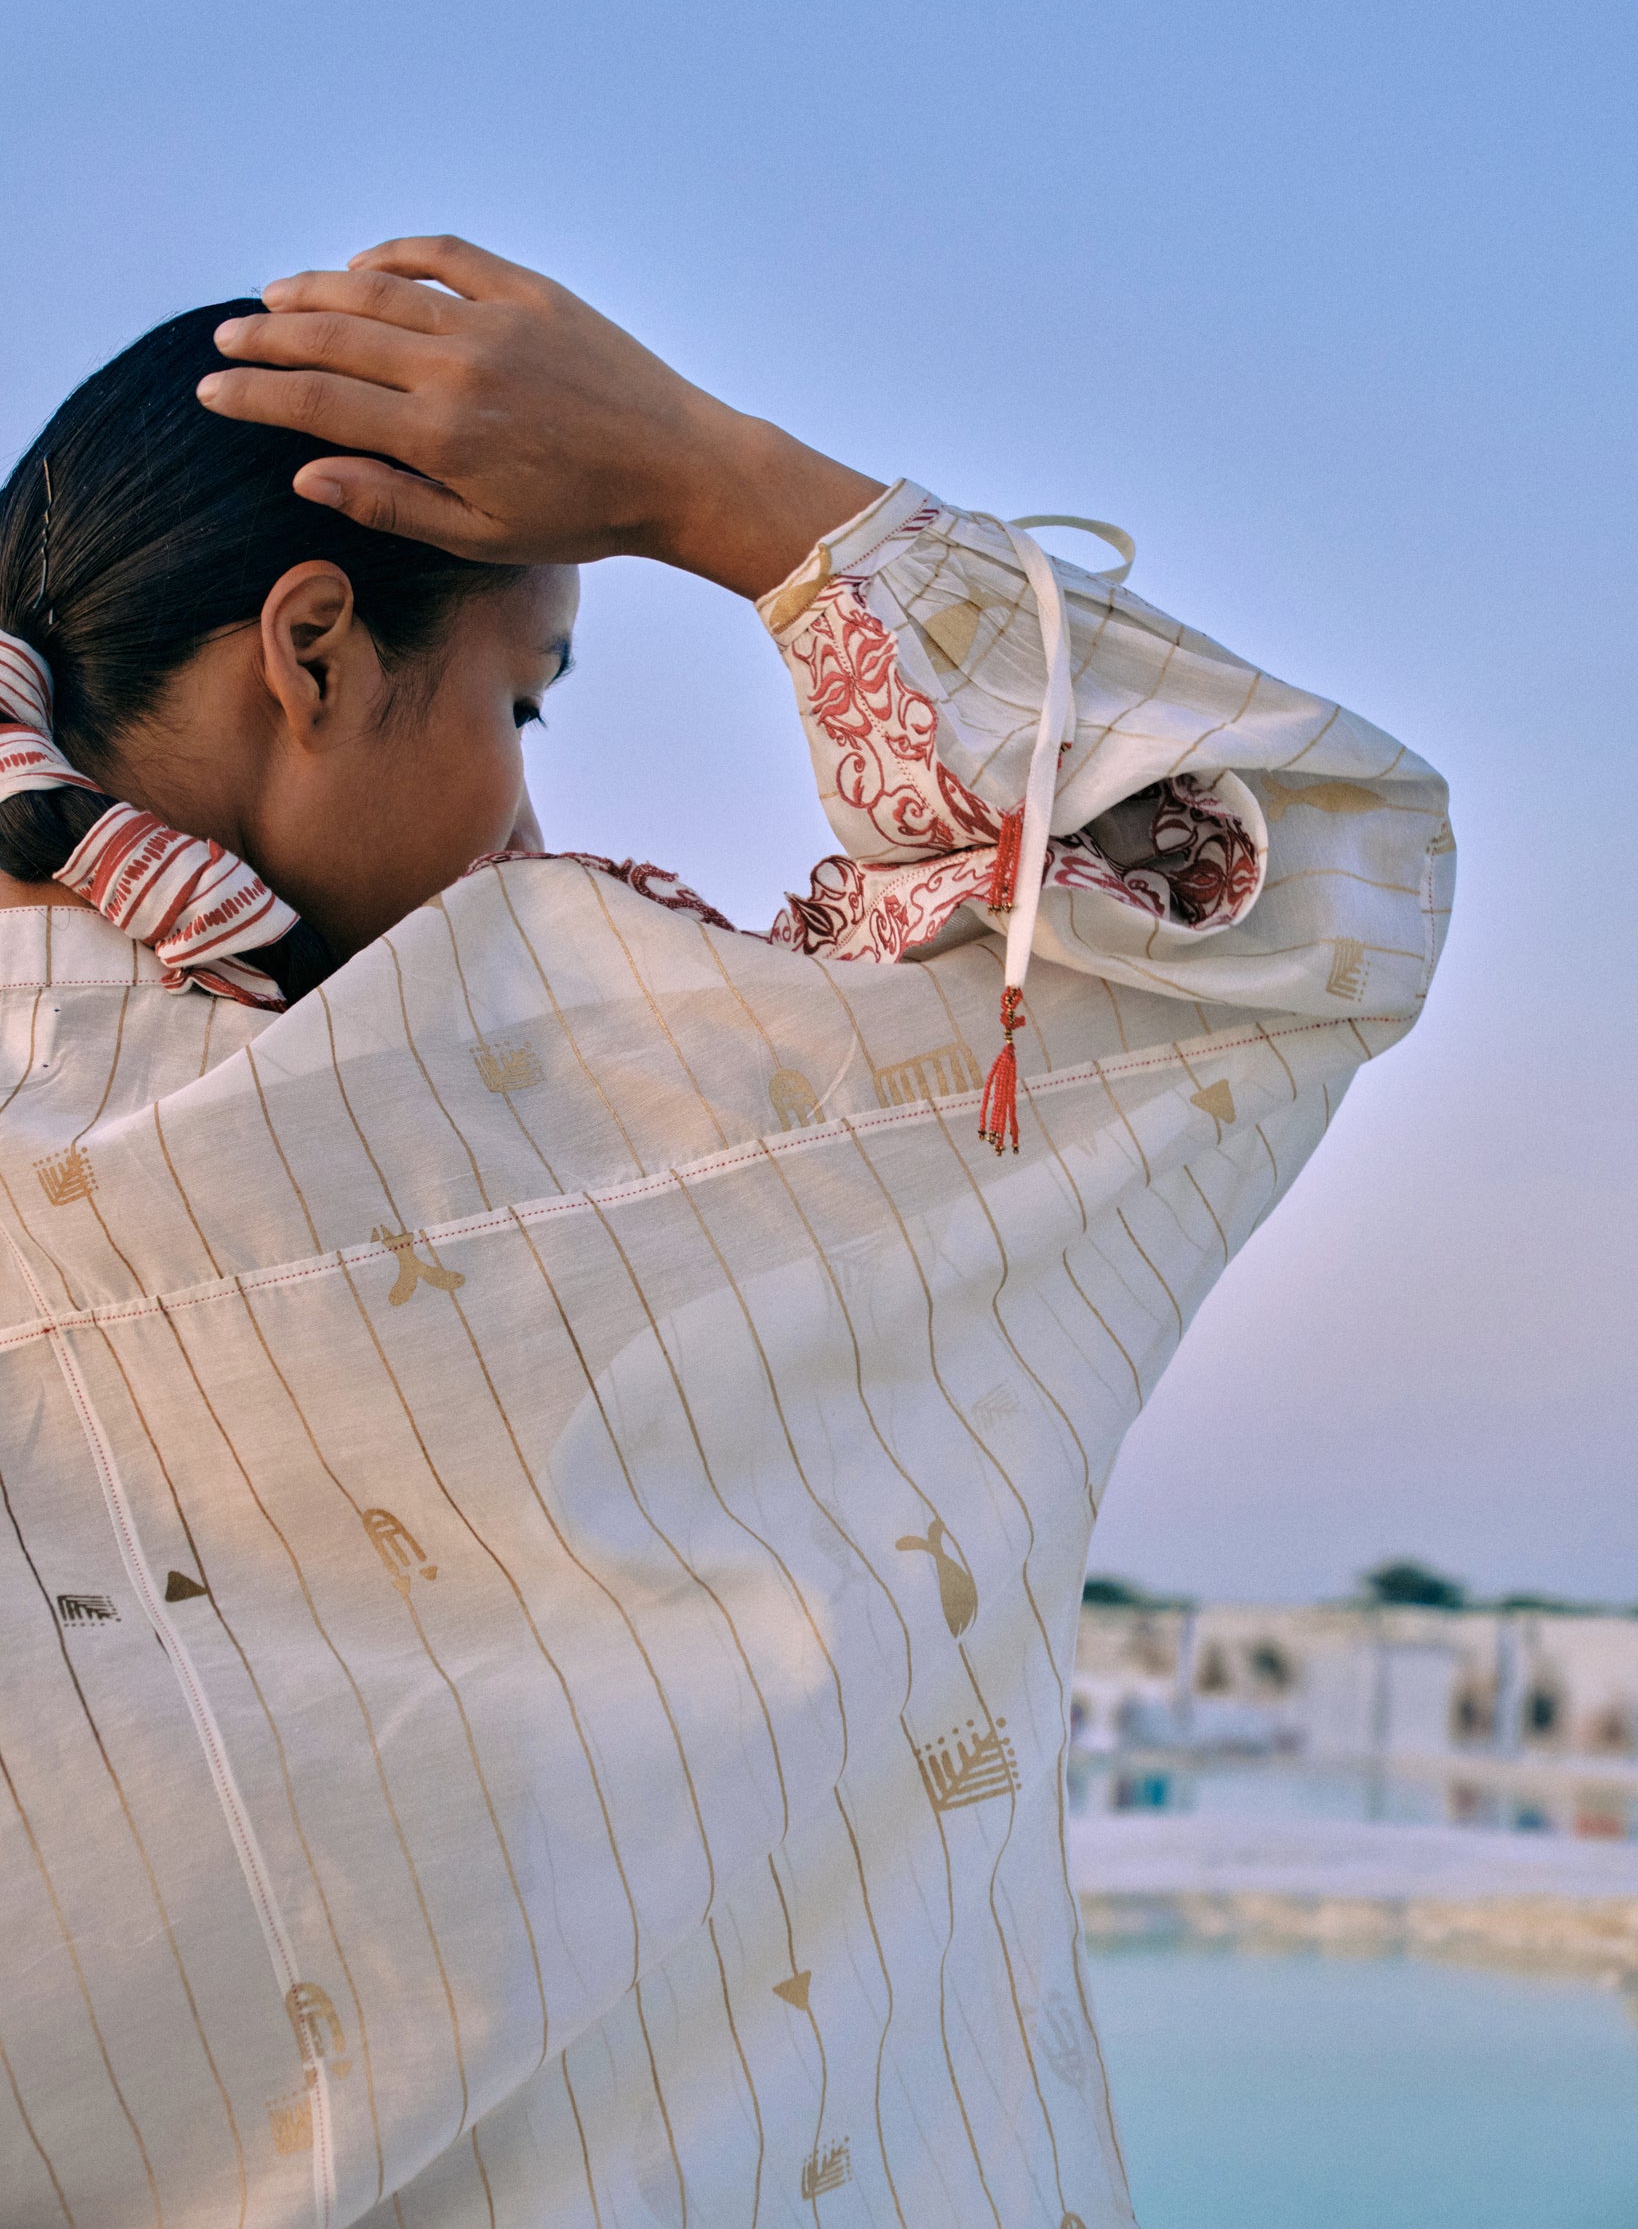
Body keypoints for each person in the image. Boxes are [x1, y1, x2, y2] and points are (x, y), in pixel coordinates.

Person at [0, 238, 1452, 2229]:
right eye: (523, 701)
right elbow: (1307, 888)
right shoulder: (567, 1118)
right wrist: (714, 479)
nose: (529, 827)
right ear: (311, 649)